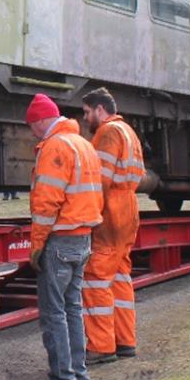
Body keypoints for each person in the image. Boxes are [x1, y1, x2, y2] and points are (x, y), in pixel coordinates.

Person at [23, 94, 103, 380]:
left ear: (41, 120)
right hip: (83, 237)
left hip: (60, 239)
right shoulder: (83, 144)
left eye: (32, 126)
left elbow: (46, 203)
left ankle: (61, 378)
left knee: (53, 313)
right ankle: (78, 375)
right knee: (72, 308)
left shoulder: (54, 147)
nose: (32, 132)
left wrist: (37, 245)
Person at [79, 87, 144, 364]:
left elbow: (98, 181)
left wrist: (88, 215)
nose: (85, 118)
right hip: (128, 208)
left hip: (110, 213)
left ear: (100, 109)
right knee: (119, 277)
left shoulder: (106, 132)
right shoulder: (129, 132)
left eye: (86, 112)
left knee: (95, 279)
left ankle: (102, 347)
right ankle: (125, 341)